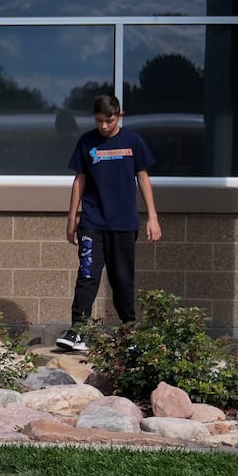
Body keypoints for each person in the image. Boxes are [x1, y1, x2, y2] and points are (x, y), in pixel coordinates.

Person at [55, 94, 162, 353]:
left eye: (109, 120)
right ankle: (78, 330)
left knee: (122, 279)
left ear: (120, 116)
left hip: (124, 223)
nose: (104, 126)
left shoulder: (133, 141)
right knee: (87, 274)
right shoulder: (87, 142)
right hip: (93, 222)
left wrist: (153, 216)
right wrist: (72, 218)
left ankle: (129, 331)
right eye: (99, 120)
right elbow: (79, 180)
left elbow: (143, 179)